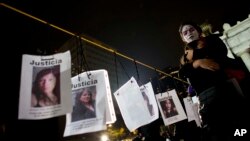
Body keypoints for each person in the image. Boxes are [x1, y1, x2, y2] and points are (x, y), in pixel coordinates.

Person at [178, 22, 248, 141]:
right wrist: (198, 63)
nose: (189, 33)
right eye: (185, 32)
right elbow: (182, 73)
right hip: (205, 100)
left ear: (198, 31)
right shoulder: (185, 57)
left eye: (191, 29)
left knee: (238, 128)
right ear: (183, 38)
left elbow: (219, 58)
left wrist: (195, 57)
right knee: (218, 133)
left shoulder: (212, 41)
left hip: (224, 91)